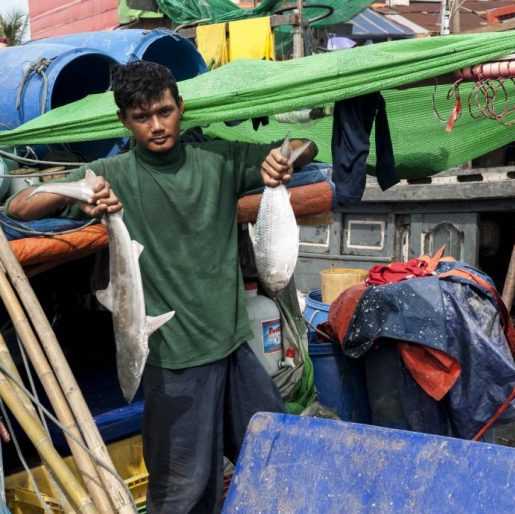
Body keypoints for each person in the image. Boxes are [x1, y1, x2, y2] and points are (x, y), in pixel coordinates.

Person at [7, 61, 318, 512]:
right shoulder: (111, 173)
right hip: (174, 365)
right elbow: (20, 205)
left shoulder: (220, 159)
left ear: (180, 108)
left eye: (165, 112)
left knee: (278, 454)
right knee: (182, 493)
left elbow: (304, 145)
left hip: (234, 351)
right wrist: (81, 194)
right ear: (124, 121)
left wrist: (283, 159)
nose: (157, 126)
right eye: (142, 117)